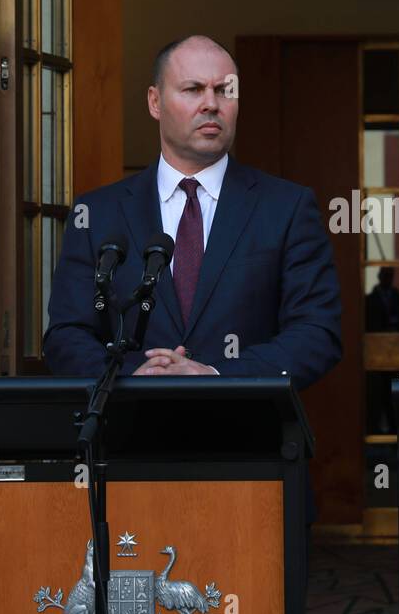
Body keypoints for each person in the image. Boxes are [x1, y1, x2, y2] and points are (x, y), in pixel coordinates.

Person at [43, 35, 342, 388]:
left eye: (225, 90)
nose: (211, 104)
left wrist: (215, 375)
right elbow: (66, 334)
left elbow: (317, 333)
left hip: (248, 434)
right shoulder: (96, 213)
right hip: (130, 432)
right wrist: (131, 379)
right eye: (193, 89)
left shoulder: (287, 207)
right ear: (155, 102)